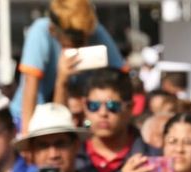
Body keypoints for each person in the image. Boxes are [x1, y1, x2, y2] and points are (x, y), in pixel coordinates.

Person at [11, 0, 125, 131]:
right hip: (31, 118)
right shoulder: (41, 31)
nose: (80, 45)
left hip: (76, 120)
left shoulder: (95, 30)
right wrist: (27, 135)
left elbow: (121, 78)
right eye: (74, 40)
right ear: (53, 30)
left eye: (83, 38)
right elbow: (30, 85)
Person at [76, 69, 146, 172]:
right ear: (84, 106)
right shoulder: (72, 156)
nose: (103, 113)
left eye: (113, 106)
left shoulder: (149, 159)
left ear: (130, 108)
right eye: (94, 106)